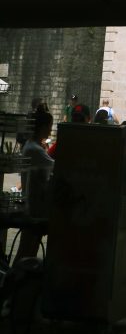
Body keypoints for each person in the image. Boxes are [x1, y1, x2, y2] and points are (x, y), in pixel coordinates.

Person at [16, 110, 54, 262]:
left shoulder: (33, 146)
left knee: (29, 249)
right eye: (50, 126)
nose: (51, 130)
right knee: (27, 250)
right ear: (43, 127)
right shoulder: (34, 149)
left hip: (34, 205)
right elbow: (55, 166)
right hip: (34, 207)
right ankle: (15, 281)